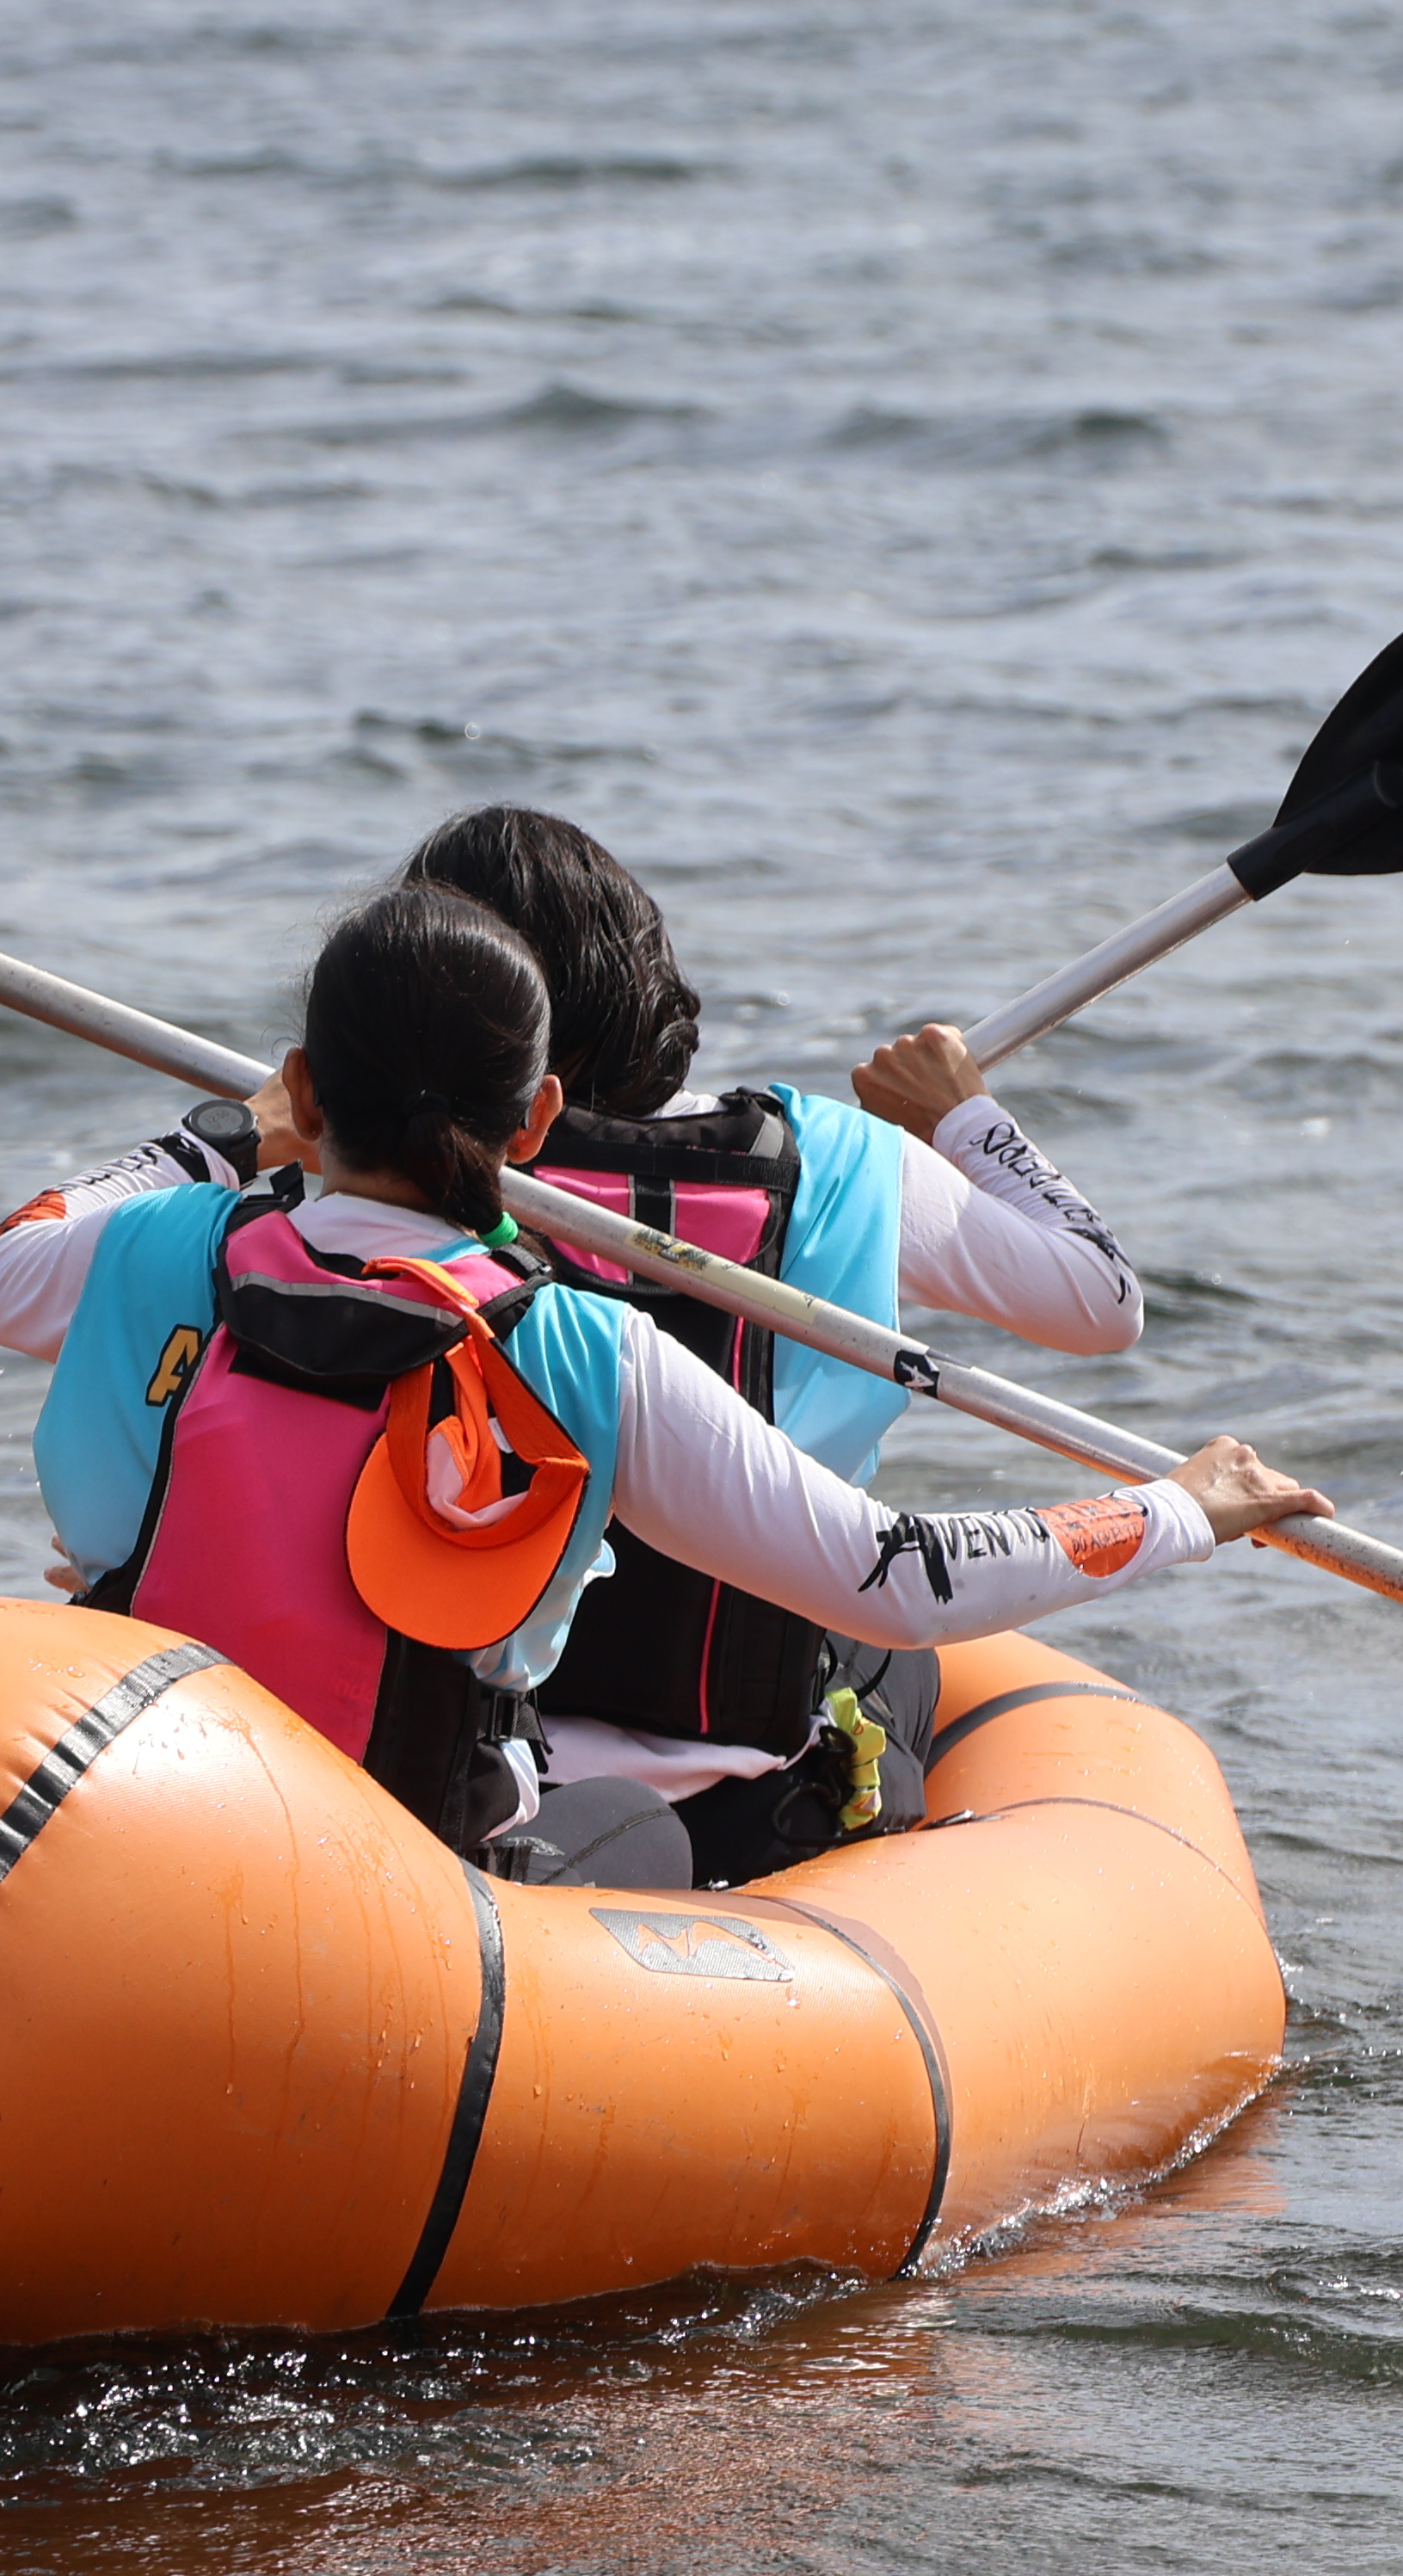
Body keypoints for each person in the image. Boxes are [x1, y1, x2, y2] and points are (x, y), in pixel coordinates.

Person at [0, 884, 1326, 1887]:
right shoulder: (581, 1347)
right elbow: (894, 1574)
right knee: (652, 1828)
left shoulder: (165, 1245)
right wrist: (1182, 1507)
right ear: (541, 1120)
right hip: (407, 1876)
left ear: (306, 1091)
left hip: (155, 1816)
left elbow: (2, 1265)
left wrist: (217, 1137)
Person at [393, 806, 1146, 1881]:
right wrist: (963, 1116)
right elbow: (1104, 1299)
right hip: (764, 1758)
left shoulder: (410, 1174)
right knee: (894, 1644)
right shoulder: (845, 1161)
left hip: (479, 1749)